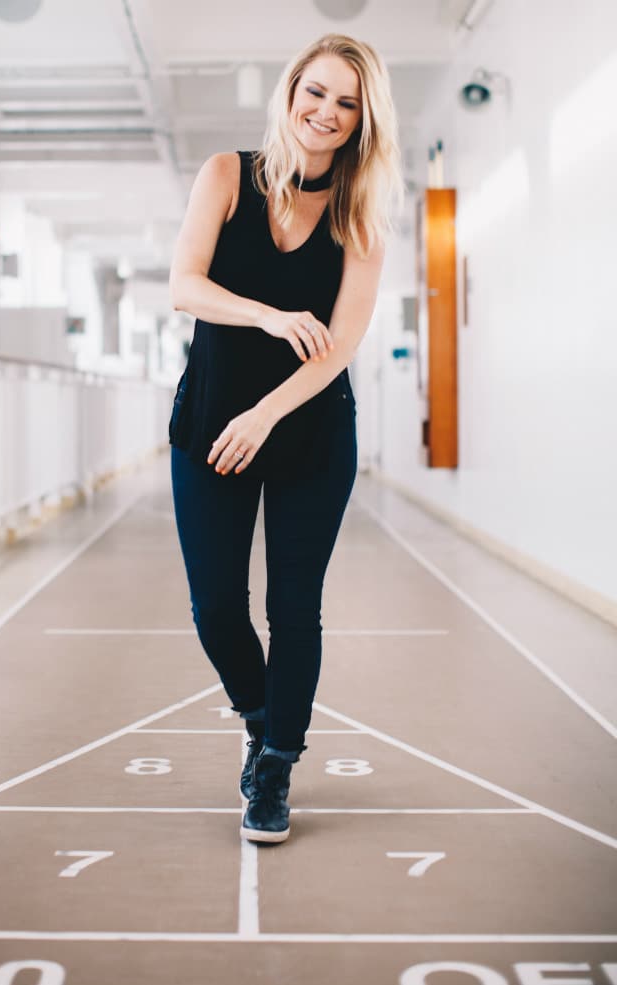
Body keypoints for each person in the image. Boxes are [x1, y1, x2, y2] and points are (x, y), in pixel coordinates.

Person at [167, 33, 403, 844]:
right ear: (291, 90)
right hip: (211, 424)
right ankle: (262, 712)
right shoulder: (226, 175)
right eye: (318, 92)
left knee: (294, 608)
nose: (326, 114)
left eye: (347, 103)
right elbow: (184, 284)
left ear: (364, 120)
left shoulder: (363, 215)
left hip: (306, 431)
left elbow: (339, 343)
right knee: (215, 607)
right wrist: (267, 314)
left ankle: (274, 765)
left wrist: (268, 410)